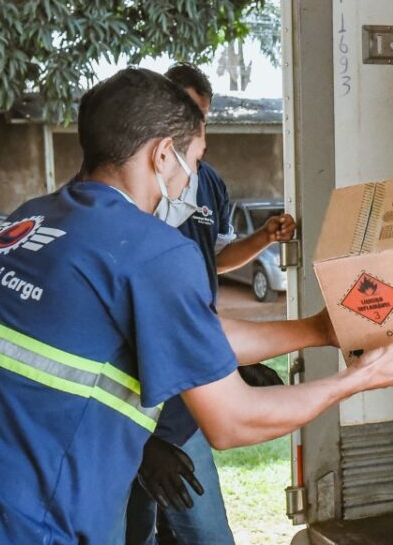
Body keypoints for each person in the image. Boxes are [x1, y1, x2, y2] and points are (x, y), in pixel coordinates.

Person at [0, 68, 393, 545]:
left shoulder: (31, 220)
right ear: (161, 155)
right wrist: (365, 375)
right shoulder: (154, 251)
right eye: (195, 161)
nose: (193, 180)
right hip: (4, 527)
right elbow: (234, 421)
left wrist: (316, 330)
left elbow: (191, 333)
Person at [121, 63, 298, 545]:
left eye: (198, 120)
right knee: (132, 529)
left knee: (206, 532)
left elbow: (213, 262)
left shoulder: (207, 184)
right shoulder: (120, 211)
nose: (191, 132)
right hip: (127, 408)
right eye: (180, 115)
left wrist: (262, 238)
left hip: (186, 388)